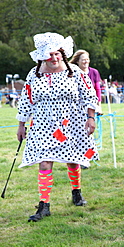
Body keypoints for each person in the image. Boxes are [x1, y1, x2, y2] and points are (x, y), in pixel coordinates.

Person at [16, 32, 99, 222]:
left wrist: (91, 118)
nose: (53, 58)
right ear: (42, 55)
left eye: (56, 53)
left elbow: (89, 95)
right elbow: (26, 101)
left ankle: (76, 193)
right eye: (49, 54)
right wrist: (21, 124)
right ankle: (44, 205)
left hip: (71, 123)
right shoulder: (34, 74)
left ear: (62, 52)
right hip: (43, 124)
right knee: (44, 162)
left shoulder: (75, 71)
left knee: (73, 160)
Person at [70, 49, 103, 114]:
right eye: (83, 60)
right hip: (76, 106)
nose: (86, 61)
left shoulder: (94, 72)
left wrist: (99, 107)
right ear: (77, 61)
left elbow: (98, 90)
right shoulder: (72, 73)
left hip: (91, 105)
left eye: (87, 59)